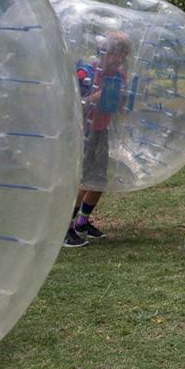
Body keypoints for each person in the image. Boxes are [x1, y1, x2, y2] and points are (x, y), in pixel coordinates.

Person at [63, 31, 131, 248]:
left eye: (122, 56)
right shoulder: (86, 73)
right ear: (103, 52)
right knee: (82, 180)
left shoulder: (119, 76)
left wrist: (122, 101)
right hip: (82, 132)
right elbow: (72, 105)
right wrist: (95, 97)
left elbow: (119, 108)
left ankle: (82, 222)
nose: (118, 60)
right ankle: (66, 228)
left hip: (101, 131)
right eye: (114, 54)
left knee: (99, 180)